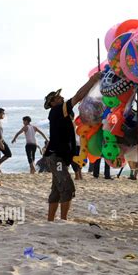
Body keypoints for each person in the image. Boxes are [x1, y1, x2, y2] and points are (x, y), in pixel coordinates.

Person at [44, 72, 101, 221]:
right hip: (56, 158)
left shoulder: (62, 112)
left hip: (59, 157)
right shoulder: (57, 111)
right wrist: (92, 80)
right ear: (52, 103)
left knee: (57, 190)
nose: (61, 97)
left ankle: (50, 221)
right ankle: (63, 220)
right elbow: (78, 96)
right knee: (68, 188)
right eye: (57, 97)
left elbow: (81, 97)